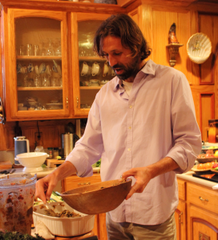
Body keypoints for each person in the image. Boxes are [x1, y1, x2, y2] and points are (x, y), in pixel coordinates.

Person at [35, 14, 202, 239]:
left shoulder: (171, 82)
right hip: (115, 216)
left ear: (137, 47)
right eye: (107, 55)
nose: (112, 62)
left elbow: (189, 144)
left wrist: (151, 171)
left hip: (154, 217)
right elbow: (87, 147)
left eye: (117, 53)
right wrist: (56, 174)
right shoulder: (104, 95)